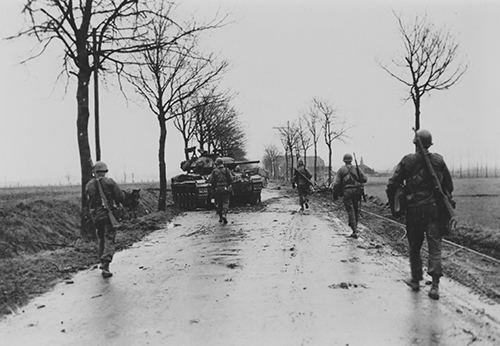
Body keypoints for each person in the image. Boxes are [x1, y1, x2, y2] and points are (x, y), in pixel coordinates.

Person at [386, 129, 454, 300]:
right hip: (434, 211)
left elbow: (392, 184)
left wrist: (395, 206)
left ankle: (416, 280)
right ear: (429, 144)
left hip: (414, 211)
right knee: (435, 248)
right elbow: (448, 185)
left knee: (415, 247)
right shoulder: (439, 160)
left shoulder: (408, 161)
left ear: (415, 144)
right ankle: (435, 287)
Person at [85, 161, 124, 278]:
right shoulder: (109, 182)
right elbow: (120, 197)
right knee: (109, 238)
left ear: (94, 172)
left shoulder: (89, 185)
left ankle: (101, 260)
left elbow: (89, 201)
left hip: (96, 216)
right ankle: (105, 264)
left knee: (101, 238)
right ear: (105, 172)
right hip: (107, 215)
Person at [332, 153, 367, 239]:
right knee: (355, 210)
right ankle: (354, 227)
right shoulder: (356, 169)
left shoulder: (341, 170)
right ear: (351, 160)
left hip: (347, 192)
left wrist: (335, 194)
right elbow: (365, 179)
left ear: (344, 161)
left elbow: (336, 184)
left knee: (350, 210)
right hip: (357, 191)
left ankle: (354, 230)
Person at [209, 158, 233, 224]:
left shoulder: (214, 171)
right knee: (225, 202)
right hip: (225, 189)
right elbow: (231, 179)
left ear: (216, 164)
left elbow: (211, 180)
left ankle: (220, 218)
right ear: (222, 163)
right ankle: (224, 215)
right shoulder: (226, 170)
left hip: (217, 189)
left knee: (218, 203)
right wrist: (228, 185)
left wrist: (214, 188)